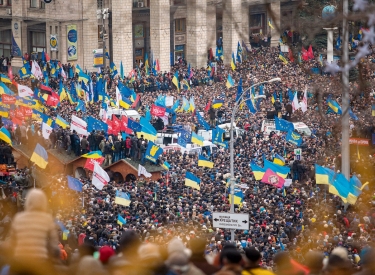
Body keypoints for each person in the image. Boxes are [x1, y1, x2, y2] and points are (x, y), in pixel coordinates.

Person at [6, 189, 59, 275]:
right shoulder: (47, 218)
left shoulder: (18, 217)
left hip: (19, 262)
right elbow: (54, 245)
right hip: (39, 262)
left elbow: (12, 243)